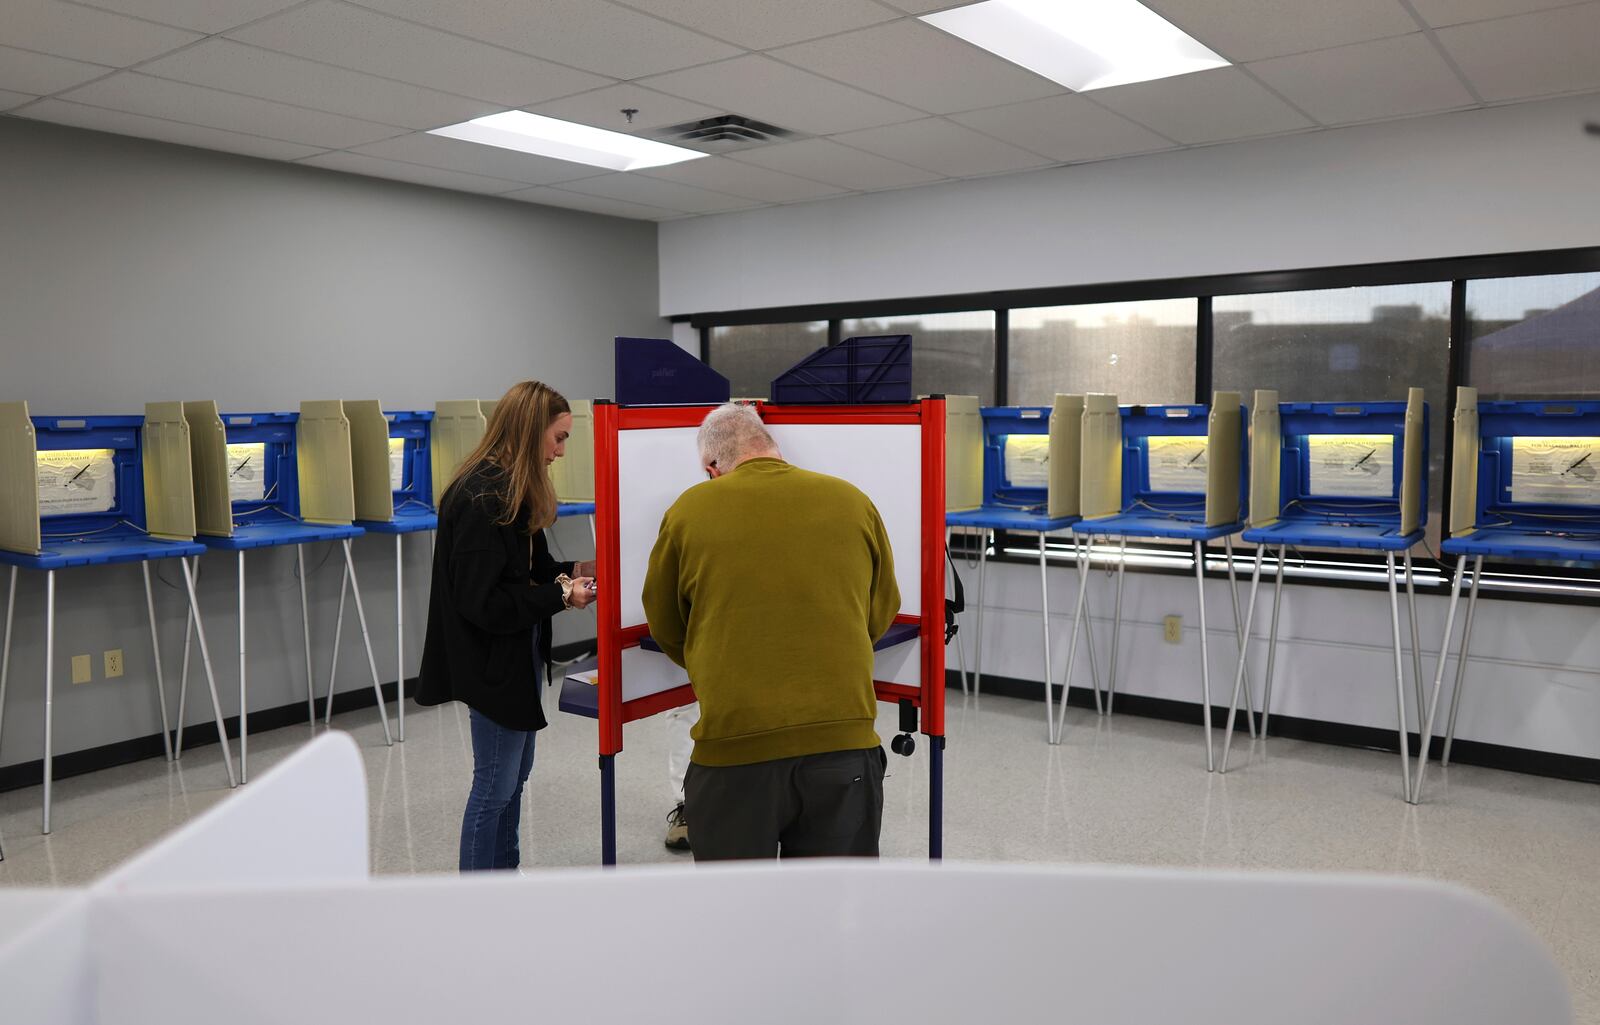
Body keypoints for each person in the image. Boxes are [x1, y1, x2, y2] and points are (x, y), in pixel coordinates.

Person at [642, 403, 900, 861]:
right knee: (834, 909)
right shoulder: (852, 500)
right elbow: (879, 613)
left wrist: (714, 656)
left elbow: (665, 624)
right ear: (771, 448)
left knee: (739, 915)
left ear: (711, 467)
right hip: (844, 747)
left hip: (733, 753)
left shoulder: (688, 510)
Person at [417, 380, 596, 872]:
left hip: (514, 656)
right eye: (558, 438)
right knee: (494, 788)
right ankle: (480, 897)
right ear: (529, 430)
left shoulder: (509, 489)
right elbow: (484, 603)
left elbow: (527, 569)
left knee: (514, 780)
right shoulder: (482, 497)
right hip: (491, 662)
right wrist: (561, 595)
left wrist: (575, 572)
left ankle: (505, 878)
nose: (560, 452)